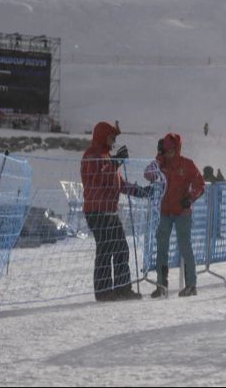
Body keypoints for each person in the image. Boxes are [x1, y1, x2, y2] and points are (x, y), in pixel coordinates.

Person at [80, 122, 149, 302]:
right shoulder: (91, 155)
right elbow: (101, 177)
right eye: (112, 138)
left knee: (120, 248)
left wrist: (140, 191)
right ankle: (103, 292)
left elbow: (117, 183)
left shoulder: (106, 156)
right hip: (97, 211)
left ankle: (122, 289)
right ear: (103, 136)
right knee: (105, 249)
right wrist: (116, 162)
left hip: (109, 211)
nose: (113, 141)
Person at [153, 133, 205, 298]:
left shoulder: (187, 165)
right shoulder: (162, 165)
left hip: (182, 213)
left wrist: (190, 198)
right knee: (162, 247)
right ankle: (161, 285)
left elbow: (200, 184)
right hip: (165, 212)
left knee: (185, 247)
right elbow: (148, 174)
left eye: (170, 151)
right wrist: (159, 158)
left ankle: (191, 285)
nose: (168, 154)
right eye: (165, 151)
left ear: (177, 149)